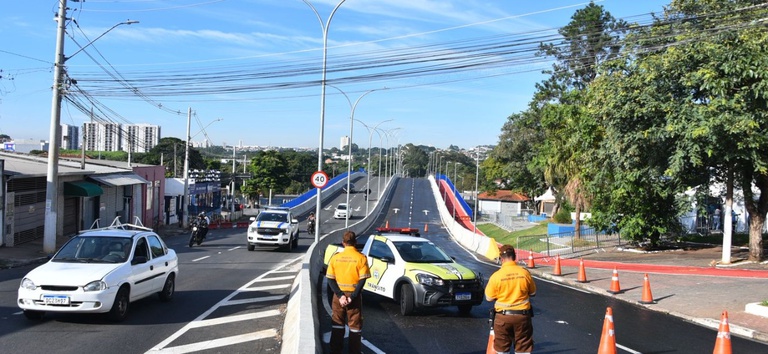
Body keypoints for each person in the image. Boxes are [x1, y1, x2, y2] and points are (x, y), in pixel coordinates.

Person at [485, 245, 537, 354]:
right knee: (523, 348)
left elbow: (489, 298)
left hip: (503, 318)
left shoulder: (496, 276)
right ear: (514, 257)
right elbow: (533, 292)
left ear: (501, 259)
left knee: (502, 349)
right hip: (522, 316)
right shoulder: (524, 273)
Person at [326, 231, 371, 354]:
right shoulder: (361, 258)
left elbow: (330, 279)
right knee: (355, 328)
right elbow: (363, 279)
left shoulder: (335, 258)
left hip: (338, 297)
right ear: (355, 243)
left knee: (337, 325)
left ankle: (335, 351)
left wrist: (340, 296)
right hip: (354, 298)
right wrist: (353, 296)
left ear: (343, 243)